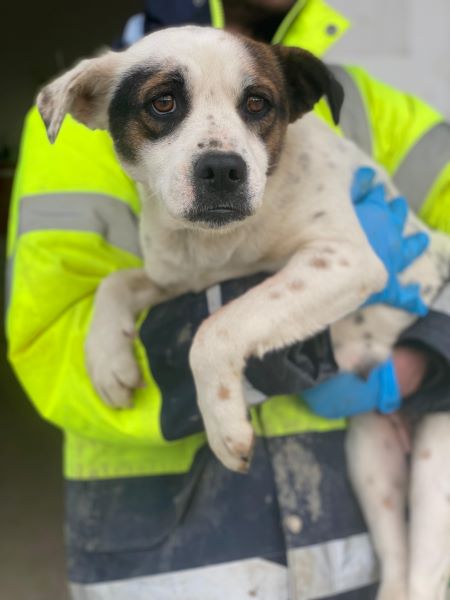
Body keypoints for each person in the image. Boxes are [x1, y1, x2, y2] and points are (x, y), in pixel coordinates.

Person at [6, 1, 450, 598]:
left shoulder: (360, 97)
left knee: (416, 579)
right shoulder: (84, 111)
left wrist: (434, 349)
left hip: (346, 543)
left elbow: (360, 266)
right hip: (179, 559)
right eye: (165, 106)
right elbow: (50, 339)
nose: (222, 152)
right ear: (88, 106)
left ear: (291, 108)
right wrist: (137, 307)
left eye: (256, 106)